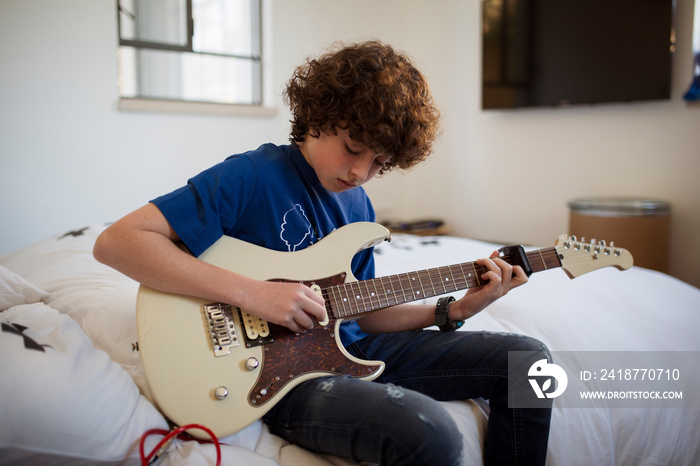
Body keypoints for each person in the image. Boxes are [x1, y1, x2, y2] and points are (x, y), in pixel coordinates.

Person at [94, 40, 552, 465]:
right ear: (318, 113)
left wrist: (453, 309)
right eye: (353, 148)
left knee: (527, 361)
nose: (359, 172)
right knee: (432, 433)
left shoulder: (360, 207)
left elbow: (363, 311)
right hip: (281, 374)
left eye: (379, 163)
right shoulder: (251, 175)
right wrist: (253, 294)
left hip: (352, 348)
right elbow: (118, 242)